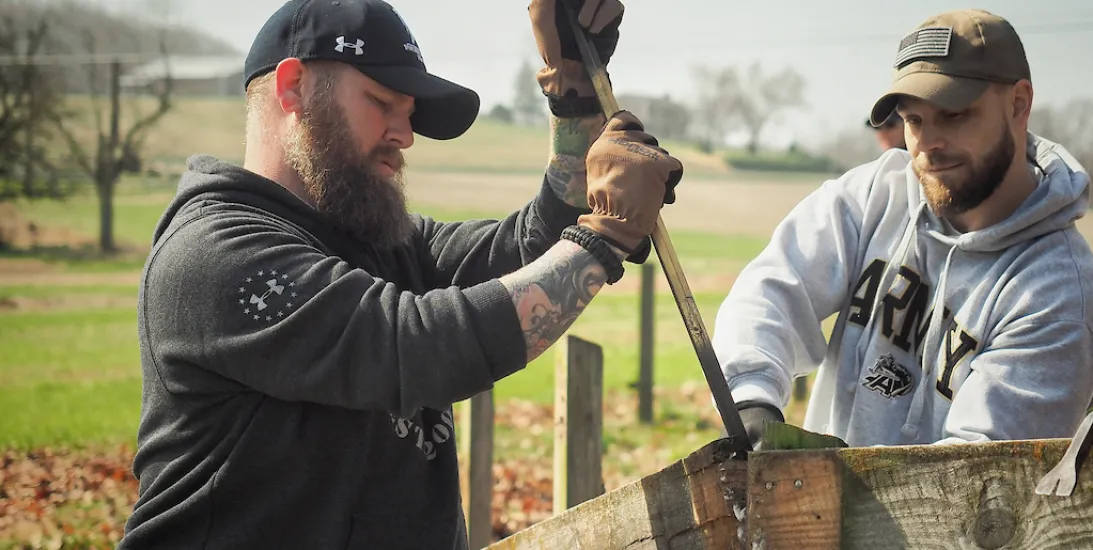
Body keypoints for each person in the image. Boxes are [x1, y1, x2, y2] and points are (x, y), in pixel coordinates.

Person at [118, 0, 680, 548]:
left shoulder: (386, 244)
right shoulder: (215, 253)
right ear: (292, 87)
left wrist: (575, 99)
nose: (404, 135)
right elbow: (413, 346)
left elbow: (527, 250)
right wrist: (602, 240)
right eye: (381, 102)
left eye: (407, 114)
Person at [712, 9, 1093, 449]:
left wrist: (836, 488)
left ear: (1018, 104)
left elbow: (979, 480)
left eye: (954, 115)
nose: (928, 144)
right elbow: (773, 288)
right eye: (913, 120)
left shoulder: (1059, 295)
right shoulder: (877, 195)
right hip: (815, 510)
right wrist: (751, 399)